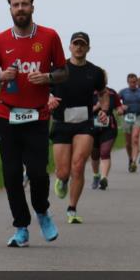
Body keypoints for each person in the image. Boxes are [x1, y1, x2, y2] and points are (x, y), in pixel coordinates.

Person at [0, 0, 68, 247]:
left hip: (37, 116)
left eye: (24, 4)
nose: (20, 9)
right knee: (11, 174)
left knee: (37, 173)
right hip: (6, 115)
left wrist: (48, 78)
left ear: (33, 7)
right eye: (15, 5)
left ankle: (42, 211)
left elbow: (64, 72)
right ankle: (21, 227)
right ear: (9, 9)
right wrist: (0, 77)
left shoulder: (49, 36)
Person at [47, 32, 106, 223]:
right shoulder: (58, 69)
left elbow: (103, 93)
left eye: (83, 44)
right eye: (76, 44)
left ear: (88, 48)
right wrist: (49, 99)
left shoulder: (95, 72)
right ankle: (62, 180)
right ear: (70, 47)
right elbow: (43, 90)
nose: (79, 47)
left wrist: (103, 109)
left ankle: (72, 209)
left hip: (84, 123)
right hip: (61, 122)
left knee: (79, 165)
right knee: (63, 171)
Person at [90, 73, 120, 191]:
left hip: (109, 127)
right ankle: (96, 175)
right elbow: (85, 111)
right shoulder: (88, 93)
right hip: (92, 128)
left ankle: (104, 178)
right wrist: (97, 106)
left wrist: (120, 110)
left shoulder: (112, 93)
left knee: (105, 152)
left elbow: (118, 106)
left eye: (104, 79)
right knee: (94, 154)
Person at [117, 74, 140, 172]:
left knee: (135, 138)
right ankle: (130, 158)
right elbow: (115, 102)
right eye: (130, 82)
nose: (133, 84)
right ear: (127, 82)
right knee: (128, 143)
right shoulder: (123, 91)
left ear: (137, 82)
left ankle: (134, 162)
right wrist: (121, 107)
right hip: (126, 117)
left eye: (134, 82)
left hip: (138, 116)